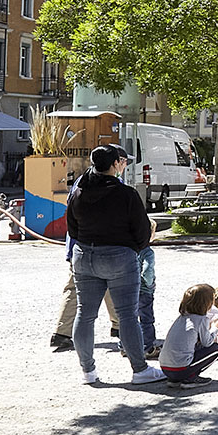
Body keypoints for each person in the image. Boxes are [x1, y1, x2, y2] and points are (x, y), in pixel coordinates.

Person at [66, 145, 165, 385]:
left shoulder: (79, 191)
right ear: (113, 165)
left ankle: (88, 371)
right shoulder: (126, 194)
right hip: (119, 256)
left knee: (85, 314)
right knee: (128, 315)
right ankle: (139, 369)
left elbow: (72, 228)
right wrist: (132, 248)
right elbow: (142, 232)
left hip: (85, 255)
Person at [158, 283, 218, 388]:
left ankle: (174, 380)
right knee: (216, 349)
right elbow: (207, 342)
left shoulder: (182, 317)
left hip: (165, 369)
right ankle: (190, 379)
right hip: (180, 369)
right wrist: (215, 328)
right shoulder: (201, 319)